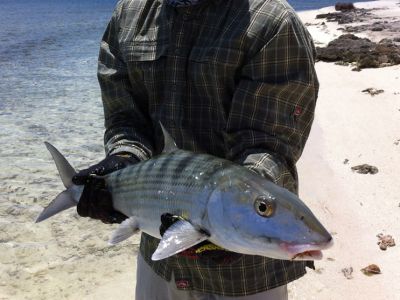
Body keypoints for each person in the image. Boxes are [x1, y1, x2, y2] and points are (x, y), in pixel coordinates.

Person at [73, 0, 319, 299]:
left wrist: (230, 217)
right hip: (160, 256)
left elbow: (269, 144)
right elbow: (125, 118)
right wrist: (124, 158)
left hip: (245, 268)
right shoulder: (130, 14)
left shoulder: (272, 21)